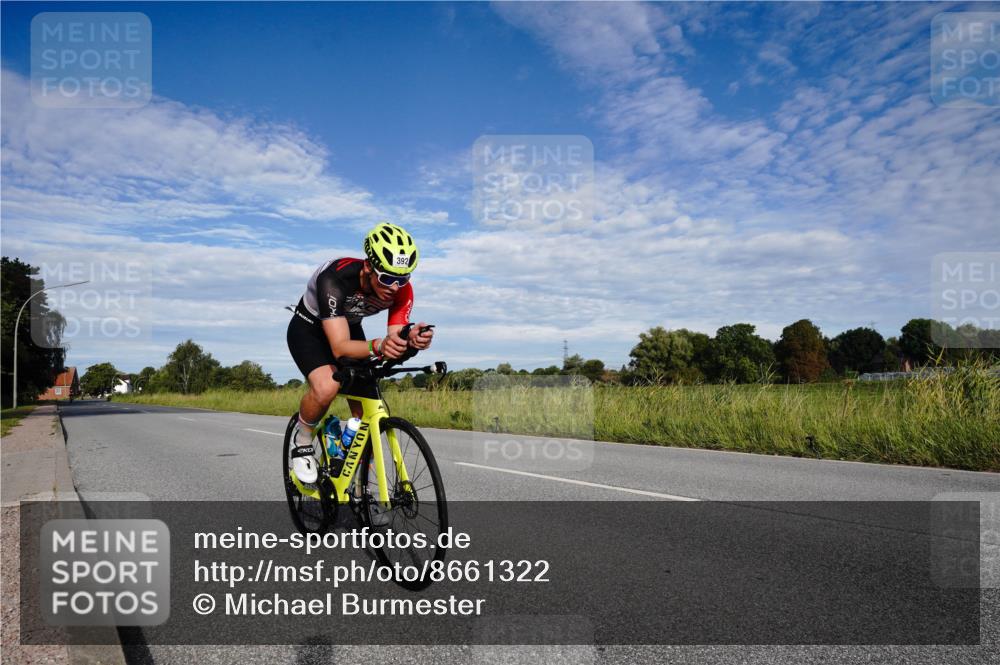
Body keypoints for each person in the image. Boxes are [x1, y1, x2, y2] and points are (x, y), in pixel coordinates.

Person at [286, 222, 434, 483]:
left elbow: (395, 337)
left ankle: (361, 489)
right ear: (368, 266)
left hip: (350, 328)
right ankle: (304, 437)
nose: (395, 287)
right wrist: (378, 345)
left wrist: (410, 339)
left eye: (403, 278)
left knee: (369, 413)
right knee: (327, 387)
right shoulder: (334, 278)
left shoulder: (400, 288)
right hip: (309, 329)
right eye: (387, 278)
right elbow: (340, 347)